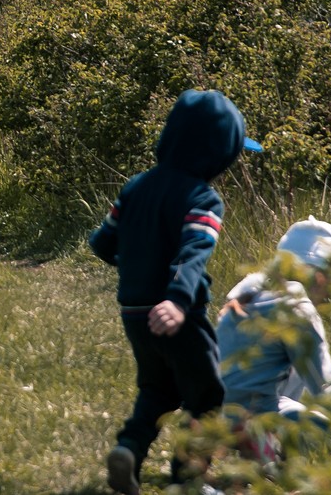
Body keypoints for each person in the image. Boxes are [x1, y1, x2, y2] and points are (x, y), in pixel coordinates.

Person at [89, 89, 259, 495]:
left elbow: (103, 243)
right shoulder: (203, 198)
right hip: (179, 314)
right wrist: (177, 300)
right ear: (219, 154)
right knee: (208, 395)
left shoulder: (135, 187)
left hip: (134, 311)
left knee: (158, 389)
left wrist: (138, 268)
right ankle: (188, 477)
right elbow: (193, 253)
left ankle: (129, 449)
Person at [216, 216, 331, 460]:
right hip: (255, 415)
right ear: (320, 274)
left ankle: (262, 449)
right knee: (326, 426)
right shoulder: (298, 309)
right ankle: (269, 449)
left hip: (215, 416)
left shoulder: (247, 290)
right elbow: (325, 388)